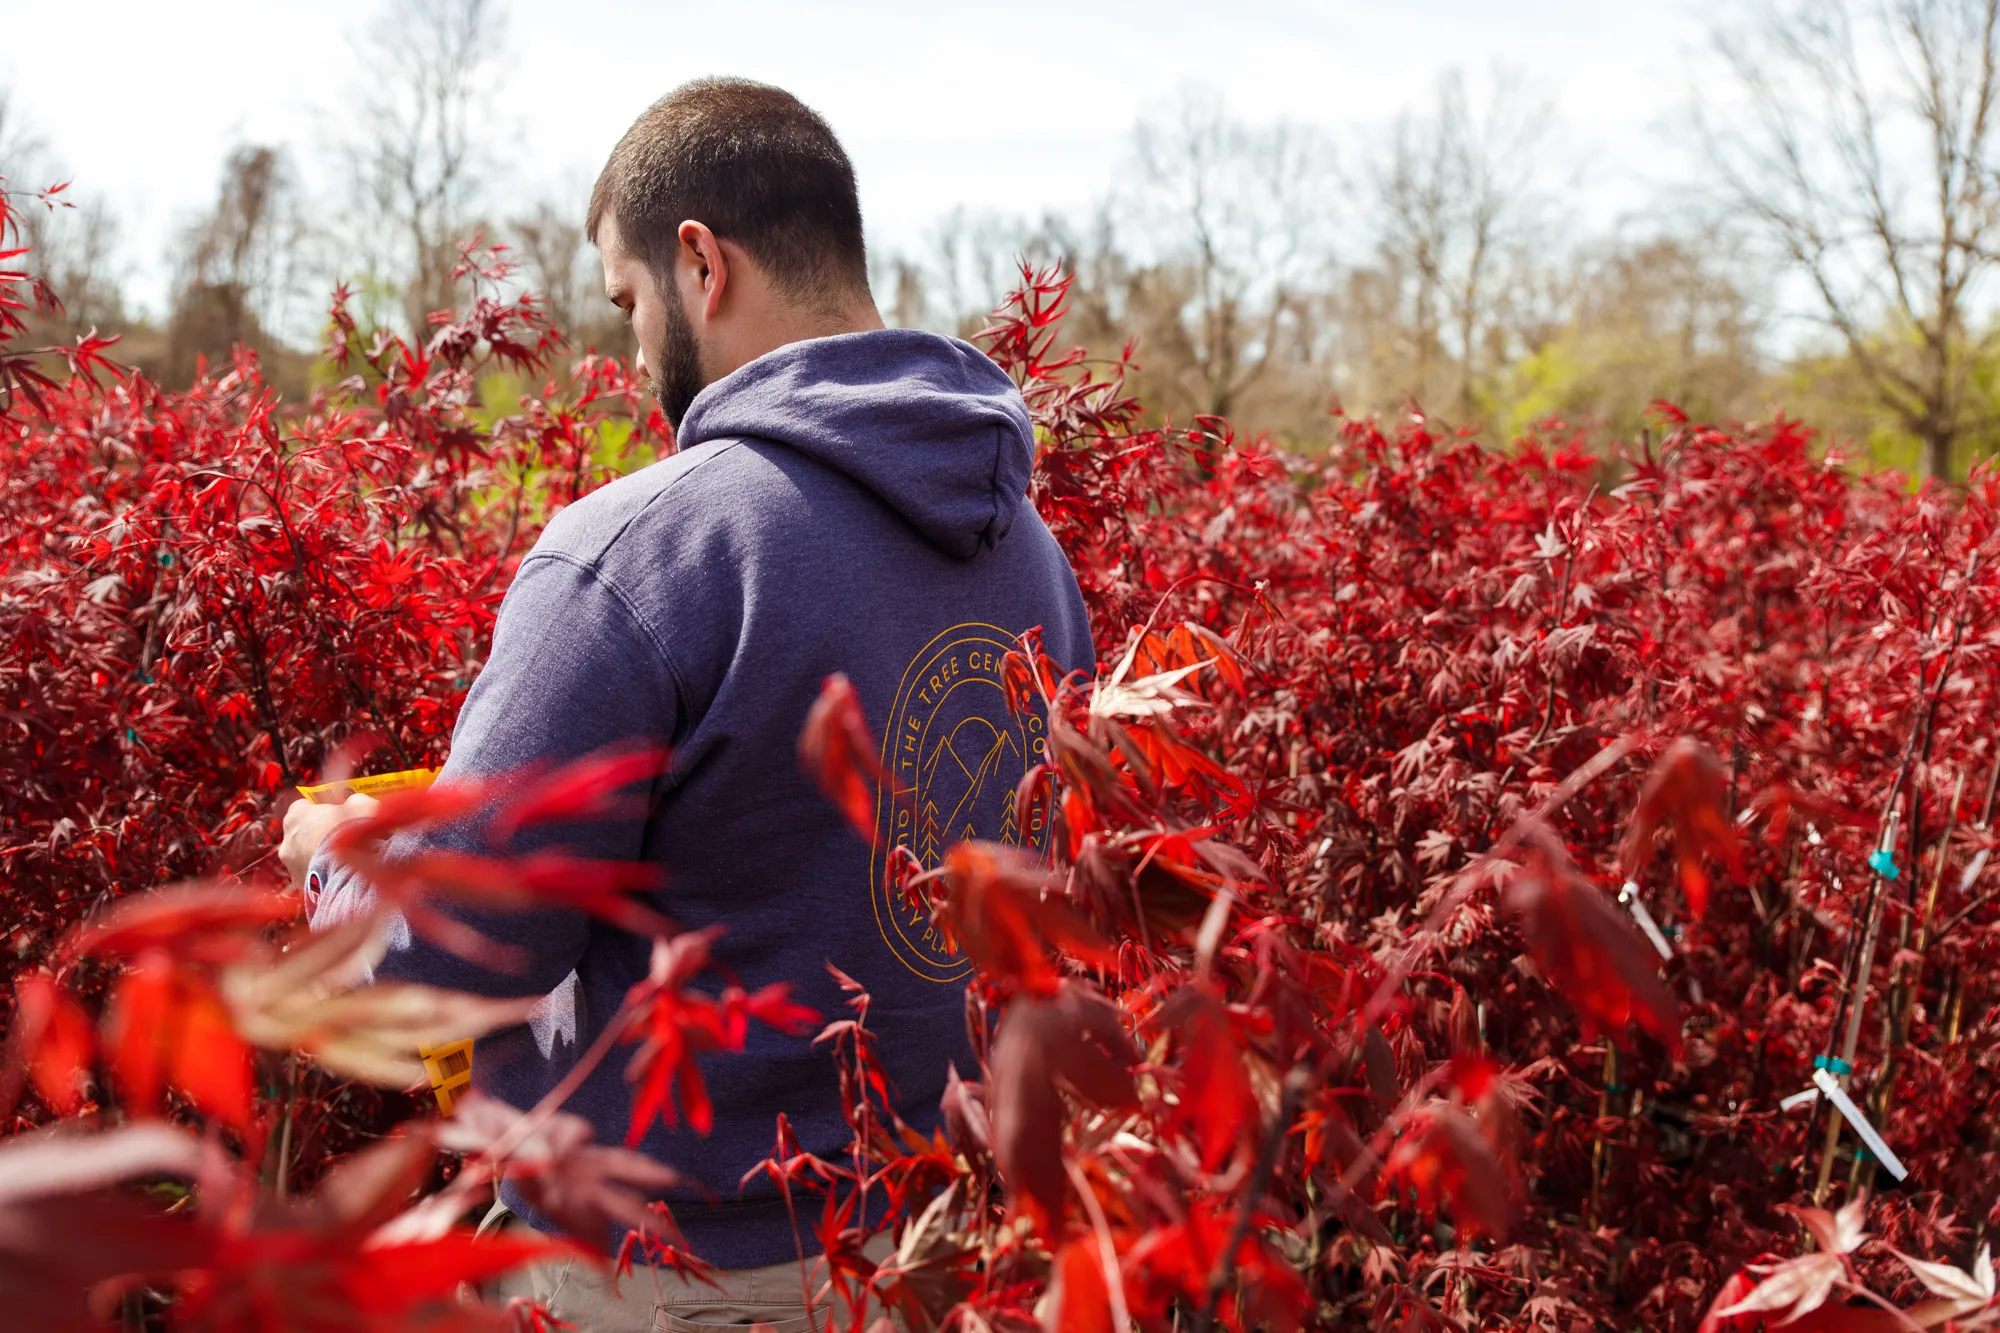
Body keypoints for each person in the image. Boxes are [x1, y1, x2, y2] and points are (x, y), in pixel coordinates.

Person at [279, 77, 1092, 1332]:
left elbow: (447, 953)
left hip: (677, 1275)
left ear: (699, 264)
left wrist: (335, 857)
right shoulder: (1026, 548)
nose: (626, 353)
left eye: (624, 301)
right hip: (937, 1243)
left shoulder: (645, 552)